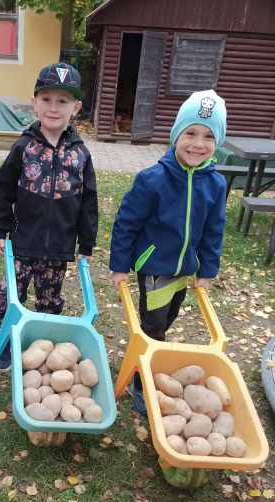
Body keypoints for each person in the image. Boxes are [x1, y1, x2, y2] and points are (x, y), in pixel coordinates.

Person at [109, 90, 227, 416]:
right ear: (176, 135)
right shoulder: (152, 180)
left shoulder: (215, 184)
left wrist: (206, 271)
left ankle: (153, 363)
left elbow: (213, 230)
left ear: (217, 142)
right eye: (190, 133)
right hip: (156, 268)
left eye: (208, 136)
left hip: (185, 269)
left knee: (167, 321)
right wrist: (120, 266)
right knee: (152, 331)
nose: (198, 144)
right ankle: (142, 383)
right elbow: (126, 224)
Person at [0, 61, 98, 372]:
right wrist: (0, 229)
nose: (53, 107)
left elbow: (88, 202)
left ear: (75, 108)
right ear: (34, 103)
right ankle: (6, 342)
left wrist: (85, 244)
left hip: (59, 248)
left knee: (50, 299)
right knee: (8, 295)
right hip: (22, 243)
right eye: (46, 99)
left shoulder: (80, 154)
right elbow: (3, 190)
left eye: (62, 101)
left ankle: (44, 346)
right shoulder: (24, 147)